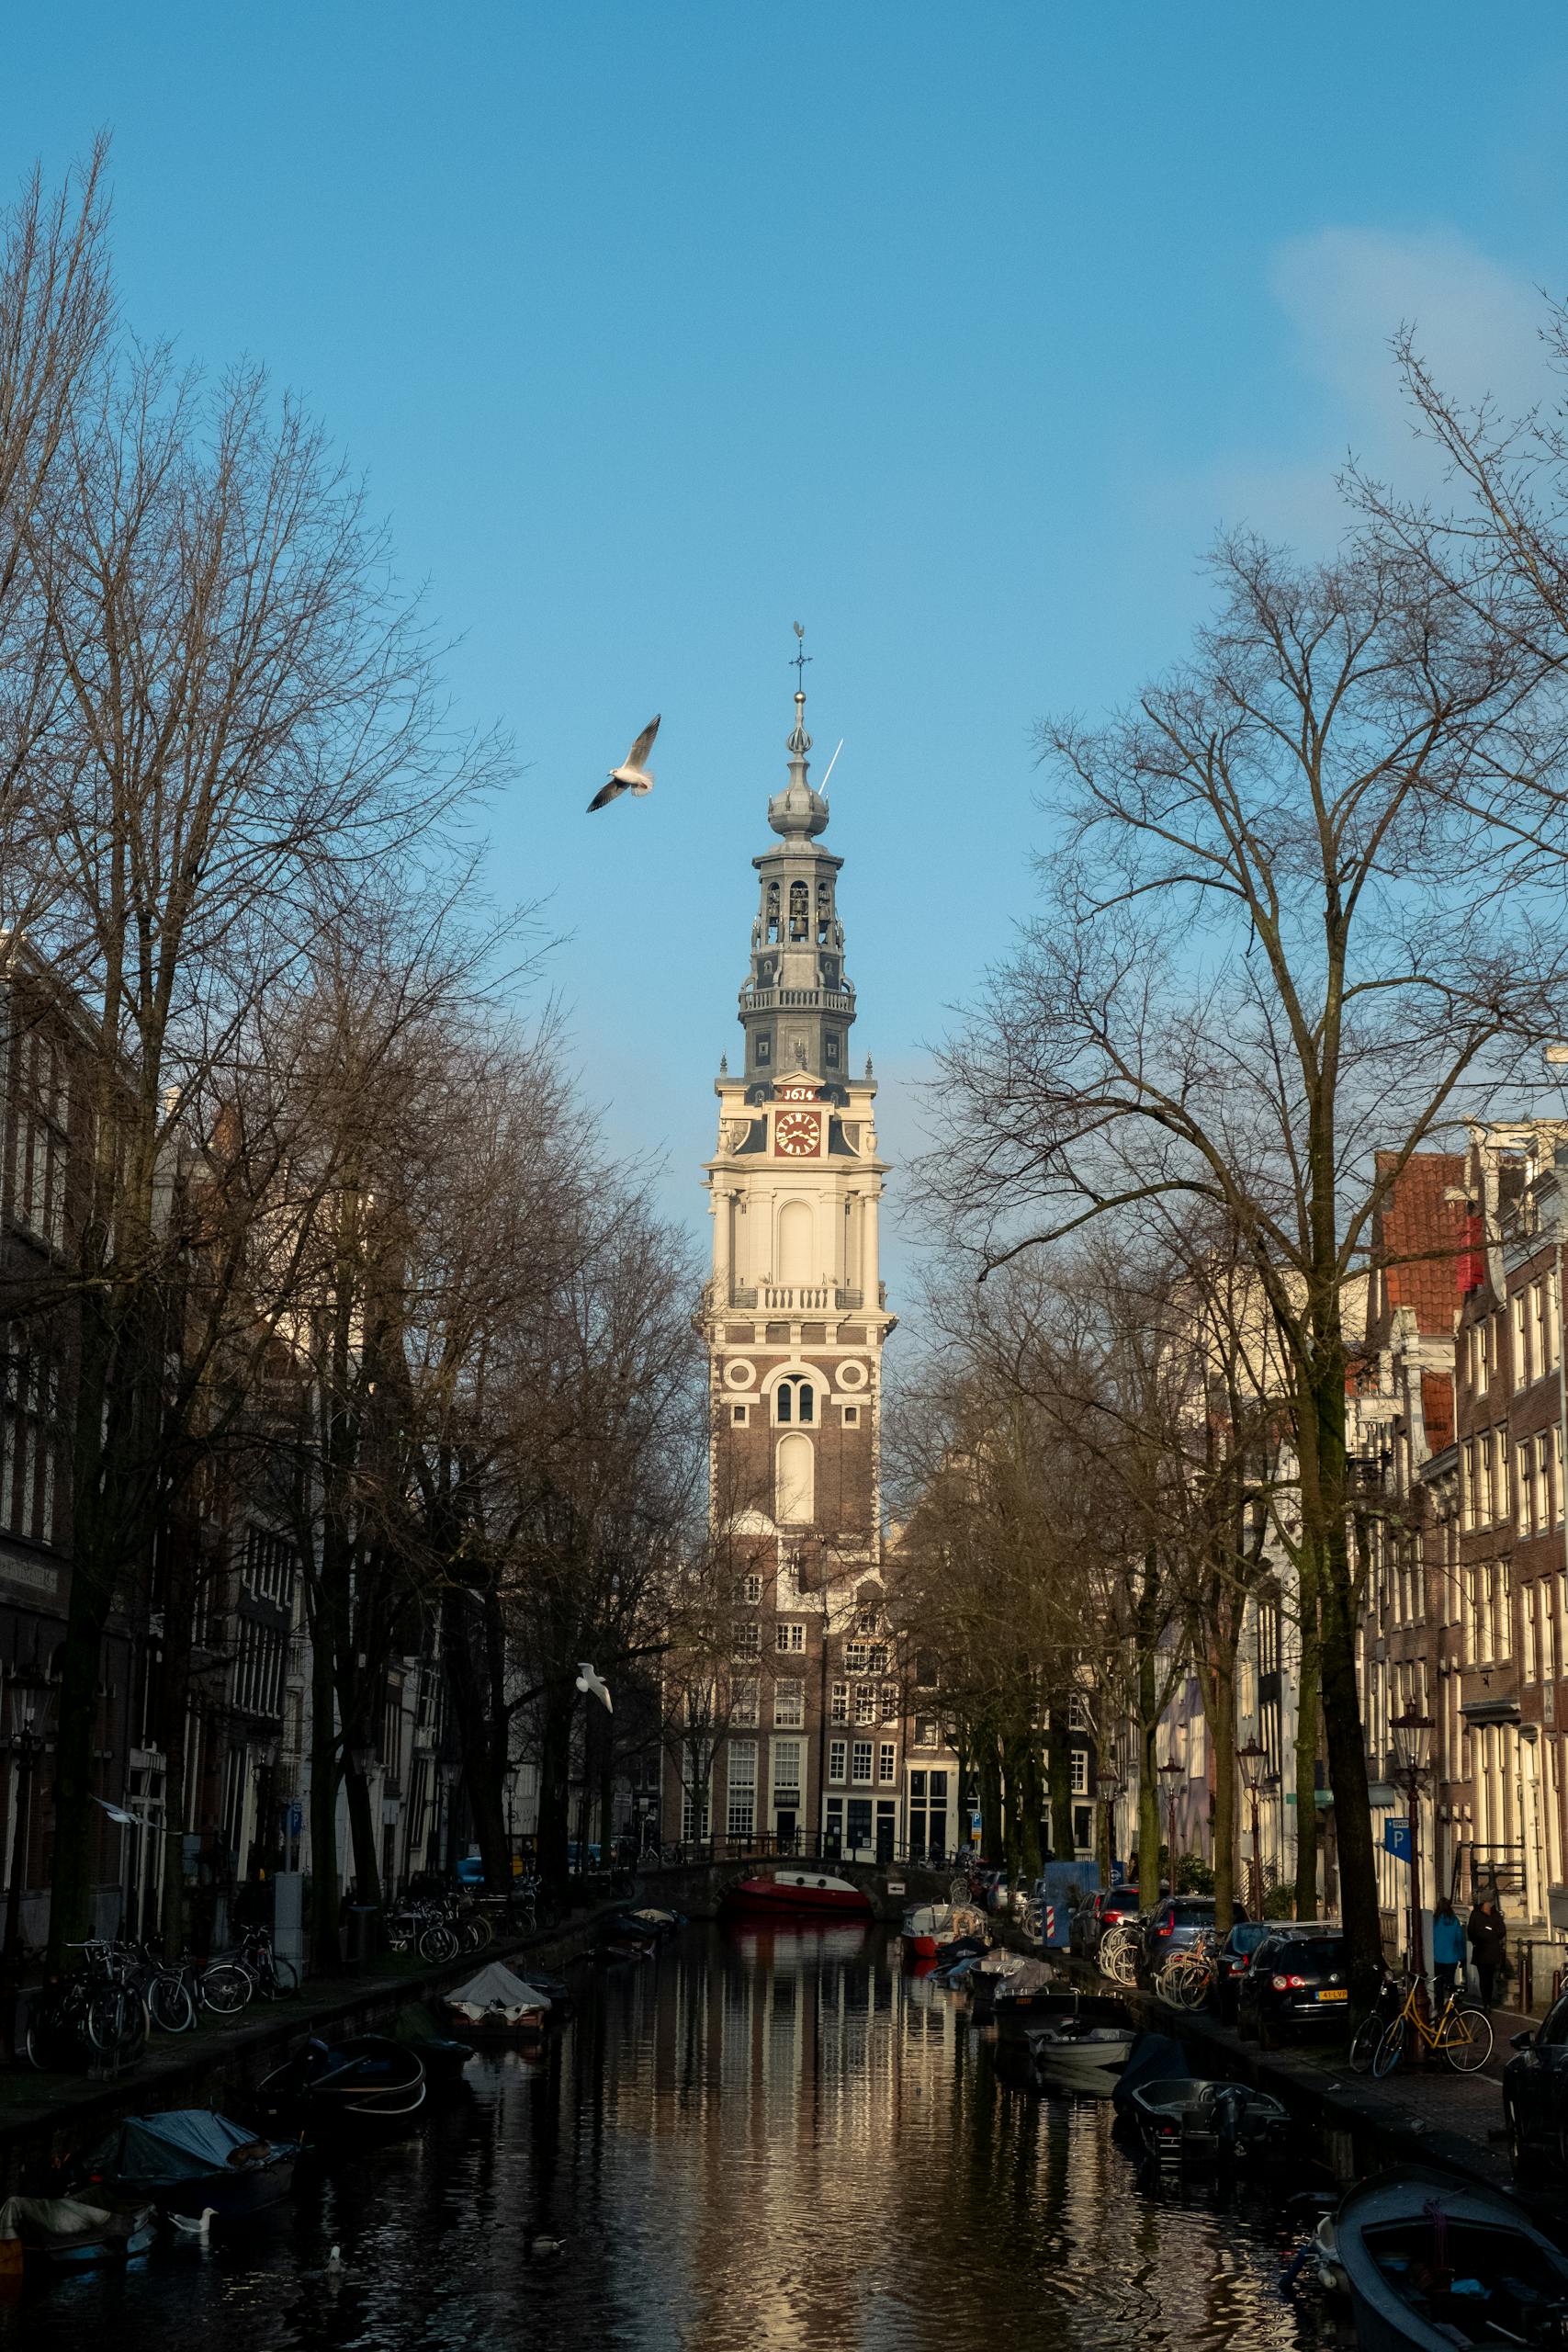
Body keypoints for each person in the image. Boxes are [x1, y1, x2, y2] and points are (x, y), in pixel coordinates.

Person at [1467, 1890, 1508, 2009]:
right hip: (1485, 1951)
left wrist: (1479, 1939)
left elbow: (1471, 1931)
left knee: (1486, 1978)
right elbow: (1501, 1931)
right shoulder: (1494, 1915)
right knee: (1486, 1978)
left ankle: (1486, 2001)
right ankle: (1487, 2001)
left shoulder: (1477, 1914)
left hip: (1485, 1951)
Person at [1432, 1896, 1465, 2007]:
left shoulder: (1434, 1921)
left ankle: (1439, 2005)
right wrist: (1462, 1957)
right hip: (1451, 1958)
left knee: (1438, 1983)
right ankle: (1452, 2004)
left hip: (1437, 1958)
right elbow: (1459, 1940)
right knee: (1450, 1982)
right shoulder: (1454, 1921)